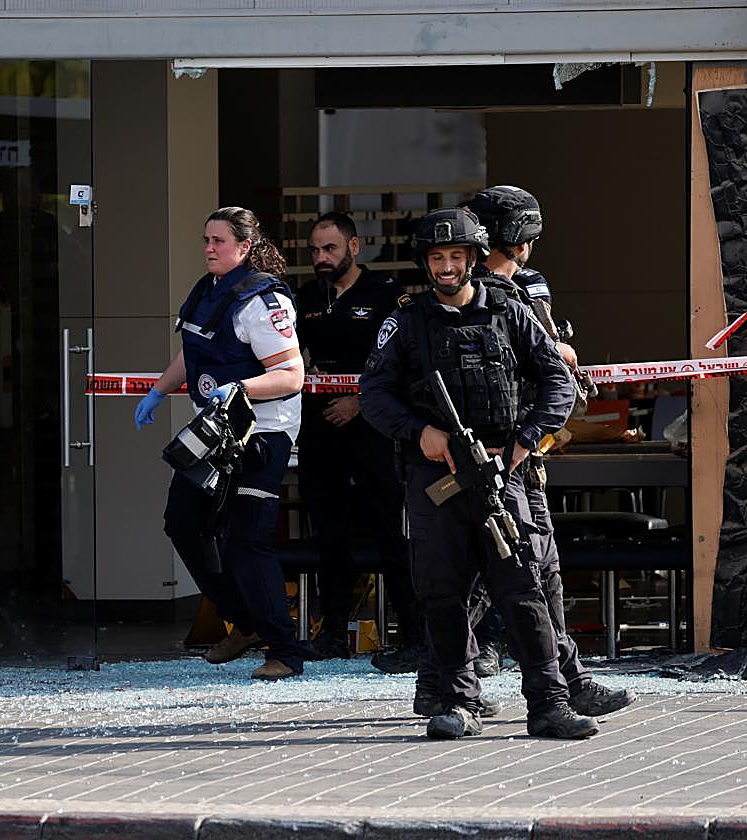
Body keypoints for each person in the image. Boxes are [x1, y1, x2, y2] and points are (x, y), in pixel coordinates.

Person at [359, 207, 599, 739]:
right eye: (437, 257)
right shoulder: (405, 321)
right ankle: (458, 701)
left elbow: (557, 383)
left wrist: (522, 442)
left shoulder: (510, 312)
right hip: (436, 476)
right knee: (441, 592)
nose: (446, 267)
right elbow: (372, 395)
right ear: (425, 262)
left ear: (473, 258)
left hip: (502, 471)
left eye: (456, 256)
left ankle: (549, 703)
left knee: (523, 589)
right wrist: (420, 433)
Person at [465, 185, 636, 717]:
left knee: (540, 566)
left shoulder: (522, 286)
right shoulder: (471, 295)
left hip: (524, 447)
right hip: (485, 453)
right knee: (473, 574)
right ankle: (452, 679)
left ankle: (562, 677)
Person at [133, 207, 306, 681]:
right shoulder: (206, 291)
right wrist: (157, 390)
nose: (209, 247)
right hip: (212, 433)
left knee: (248, 541)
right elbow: (191, 354)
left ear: (245, 247)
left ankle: (285, 652)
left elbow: (292, 374)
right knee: (182, 523)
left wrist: (243, 389)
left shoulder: (261, 299)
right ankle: (244, 620)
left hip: (262, 434)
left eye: (220, 241)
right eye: (206, 239)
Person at [292, 212, 424, 667]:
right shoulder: (305, 298)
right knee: (329, 535)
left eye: (329, 249)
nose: (321, 258)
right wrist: (303, 372)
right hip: (320, 428)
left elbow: (407, 366)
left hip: (373, 430)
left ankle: (413, 636)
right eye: (314, 250)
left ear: (353, 247)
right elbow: (287, 355)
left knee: (392, 533)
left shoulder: (387, 296)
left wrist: (360, 401)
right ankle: (331, 634)